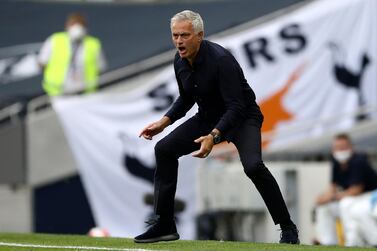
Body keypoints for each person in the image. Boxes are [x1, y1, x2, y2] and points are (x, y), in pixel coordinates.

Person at [134, 10, 299, 244]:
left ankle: (288, 228)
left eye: (185, 35)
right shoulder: (179, 60)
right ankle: (165, 224)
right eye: (175, 35)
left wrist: (214, 135)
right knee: (164, 149)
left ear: (200, 35)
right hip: (208, 117)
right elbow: (186, 98)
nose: (179, 41)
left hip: (243, 118)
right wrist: (164, 121)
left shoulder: (221, 60)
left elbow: (236, 106)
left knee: (253, 166)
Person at [315, 133, 377, 246]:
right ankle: (327, 242)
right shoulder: (336, 162)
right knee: (325, 207)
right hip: (353, 197)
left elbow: (356, 189)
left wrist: (332, 197)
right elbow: (333, 185)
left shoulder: (358, 160)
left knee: (345, 203)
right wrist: (324, 198)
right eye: (337, 148)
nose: (340, 151)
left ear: (351, 147)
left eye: (343, 147)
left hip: (369, 196)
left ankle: (352, 242)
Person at [38, 12, 106, 96]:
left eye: (80, 24)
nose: (77, 27)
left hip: (85, 93)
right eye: (73, 24)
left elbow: (100, 68)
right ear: (67, 26)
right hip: (58, 92)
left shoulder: (93, 44)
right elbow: (42, 62)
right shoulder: (55, 40)